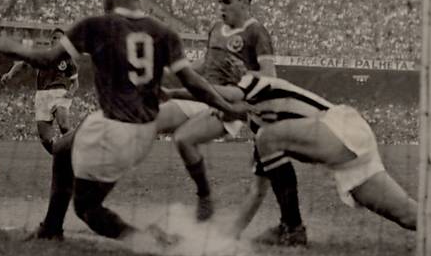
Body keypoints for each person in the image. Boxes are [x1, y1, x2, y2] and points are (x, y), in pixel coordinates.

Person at [0, 0, 252, 244]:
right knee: (63, 148)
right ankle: (51, 228)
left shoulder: (95, 26)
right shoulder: (163, 32)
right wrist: (229, 108)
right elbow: (193, 81)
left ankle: (150, 240)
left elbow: (48, 59)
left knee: (87, 208)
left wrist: (12, 47)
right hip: (142, 131)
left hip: (115, 129)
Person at [166, 72, 417, 239]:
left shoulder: (253, 83)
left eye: (215, 107)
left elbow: (228, 95)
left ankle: (292, 228)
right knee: (408, 215)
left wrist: (172, 92)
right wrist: (225, 239)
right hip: (347, 154)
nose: (217, 113)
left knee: (268, 137)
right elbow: (257, 191)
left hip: (340, 126)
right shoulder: (263, 133)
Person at [156, 0, 305, 245]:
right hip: (201, 95)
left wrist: (242, 82)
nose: (220, 7)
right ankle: (209, 205)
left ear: (245, 2)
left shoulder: (257, 33)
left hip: (230, 103)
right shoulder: (215, 28)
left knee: (184, 139)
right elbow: (206, 65)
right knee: (154, 121)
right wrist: (176, 72)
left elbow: (270, 76)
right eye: (219, 1)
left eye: (227, 1)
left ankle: (213, 211)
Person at [0, 27, 78, 154]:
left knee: (64, 125)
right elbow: (22, 63)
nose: (57, 40)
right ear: (50, 40)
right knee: (45, 139)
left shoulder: (68, 59)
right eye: (54, 38)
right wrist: (10, 74)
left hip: (60, 93)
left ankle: (78, 152)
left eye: (60, 38)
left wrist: (71, 92)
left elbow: (75, 83)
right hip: (42, 95)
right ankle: (60, 158)